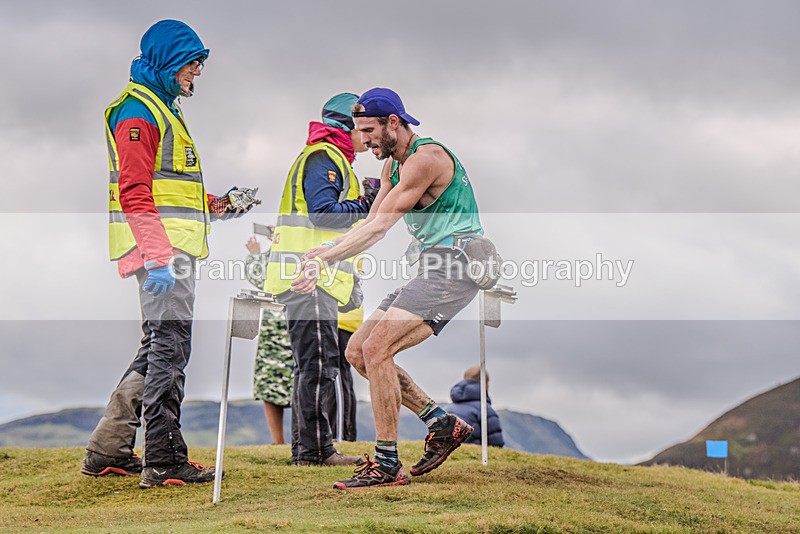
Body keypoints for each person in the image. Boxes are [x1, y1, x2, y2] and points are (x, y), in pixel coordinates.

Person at [81, 19, 251, 488]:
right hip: (161, 254)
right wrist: (157, 256)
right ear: (170, 61)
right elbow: (135, 192)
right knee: (170, 349)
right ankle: (163, 459)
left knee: (156, 347)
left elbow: (165, 190)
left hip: (165, 249)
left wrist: (217, 205)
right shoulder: (140, 112)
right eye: (192, 65)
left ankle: (107, 451)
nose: (196, 74)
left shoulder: (159, 107)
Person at [292, 88, 485, 489]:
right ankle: (440, 422)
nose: (364, 140)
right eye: (359, 131)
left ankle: (385, 465)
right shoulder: (391, 170)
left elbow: (381, 228)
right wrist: (327, 248)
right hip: (431, 267)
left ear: (393, 123)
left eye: (369, 131)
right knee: (359, 352)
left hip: (455, 266)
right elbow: (369, 222)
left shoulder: (426, 159)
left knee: (378, 349)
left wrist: (325, 260)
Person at [264, 93, 377, 466]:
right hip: (307, 279)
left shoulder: (329, 157)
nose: (368, 134)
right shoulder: (325, 157)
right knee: (317, 365)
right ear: (349, 125)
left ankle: (309, 448)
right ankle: (314, 451)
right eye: (363, 126)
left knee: (316, 364)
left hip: (313, 278)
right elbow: (323, 214)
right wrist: (366, 204)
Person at [244, 229, 294, 445]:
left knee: (296, 384)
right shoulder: (279, 251)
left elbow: (260, 277)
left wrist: (255, 254)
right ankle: (279, 441)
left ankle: (291, 440)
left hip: (284, 326)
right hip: (275, 329)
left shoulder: (292, 250)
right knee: (270, 385)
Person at [444, 366, 504, 448]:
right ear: (485, 383)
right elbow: (496, 445)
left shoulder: (446, 409)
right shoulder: (484, 409)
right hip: (473, 456)